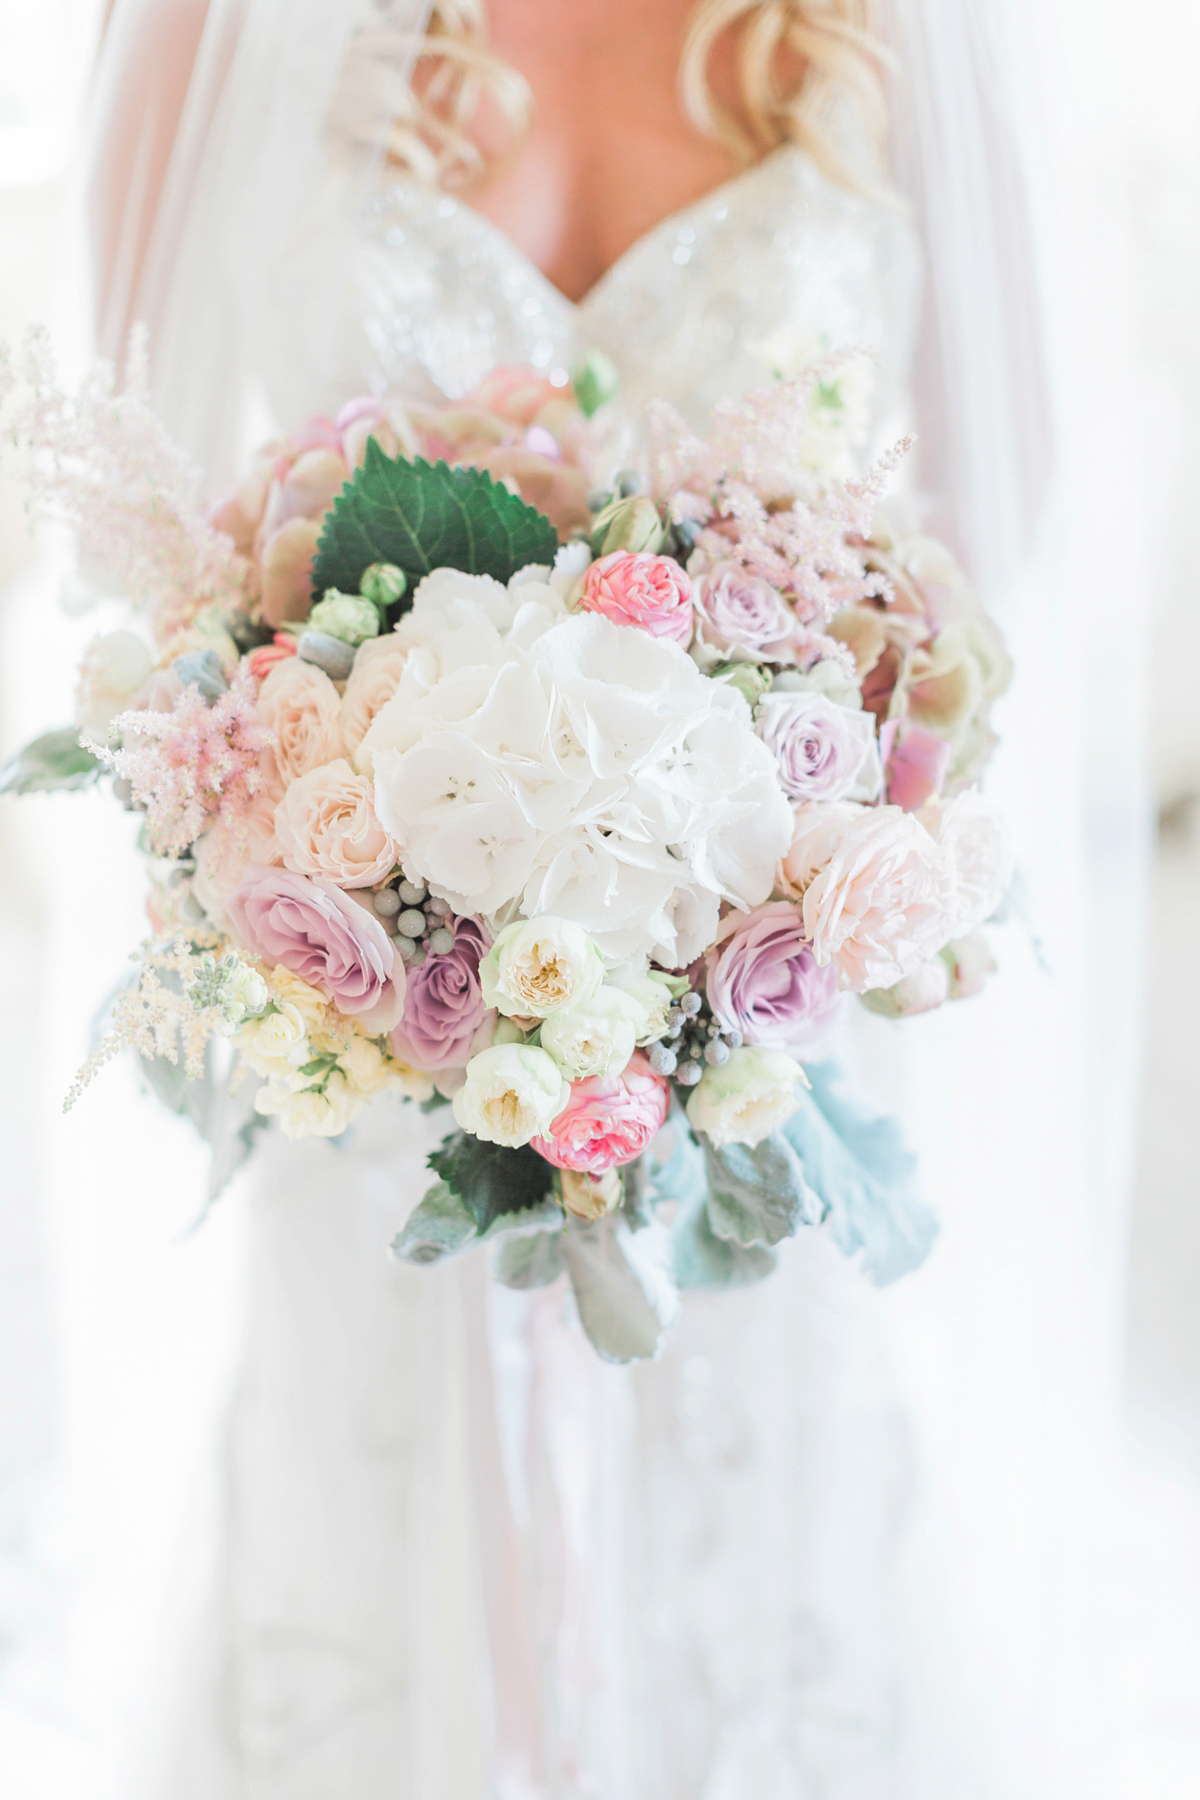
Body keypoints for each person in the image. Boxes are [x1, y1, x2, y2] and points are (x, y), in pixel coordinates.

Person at [72, 3, 1137, 1795]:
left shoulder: (894, 32)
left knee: (755, 1580)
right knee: (383, 1571)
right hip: (374, 1047)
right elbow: (149, 527)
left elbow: (998, 528)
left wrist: (763, 842)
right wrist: (334, 835)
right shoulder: (220, 22)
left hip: (757, 1060)